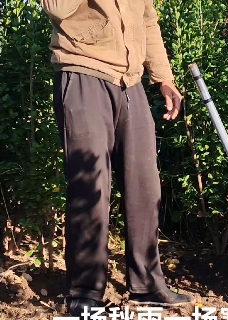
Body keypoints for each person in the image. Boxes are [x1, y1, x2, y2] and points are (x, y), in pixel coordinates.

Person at [39, 0, 195, 317]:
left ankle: (147, 283)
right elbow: (56, 8)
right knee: (90, 184)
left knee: (144, 186)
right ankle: (84, 291)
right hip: (82, 71)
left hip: (131, 82)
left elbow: (147, 19)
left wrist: (164, 78)